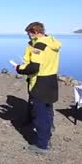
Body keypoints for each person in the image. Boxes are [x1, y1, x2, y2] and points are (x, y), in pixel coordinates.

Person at [15, 22, 61, 154]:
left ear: (34, 32)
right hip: (51, 79)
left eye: (29, 33)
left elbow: (34, 67)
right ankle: (47, 136)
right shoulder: (52, 42)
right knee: (48, 111)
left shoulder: (39, 45)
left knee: (40, 114)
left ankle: (42, 145)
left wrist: (19, 69)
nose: (28, 37)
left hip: (40, 82)